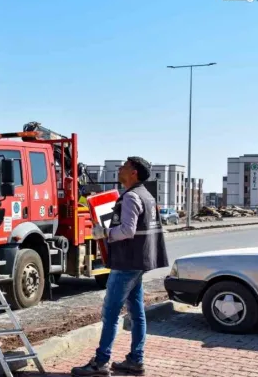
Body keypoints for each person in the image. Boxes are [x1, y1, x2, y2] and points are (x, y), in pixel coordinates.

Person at [71, 157, 169, 377]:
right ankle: (136, 360)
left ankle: (100, 362)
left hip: (126, 262)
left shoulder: (132, 197)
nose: (120, 169)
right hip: (139, 261)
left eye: (124, 166)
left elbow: (127, 231)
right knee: (137, 312)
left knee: (111, 312)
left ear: (133, 172)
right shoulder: (147, 196)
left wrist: (103, 233)